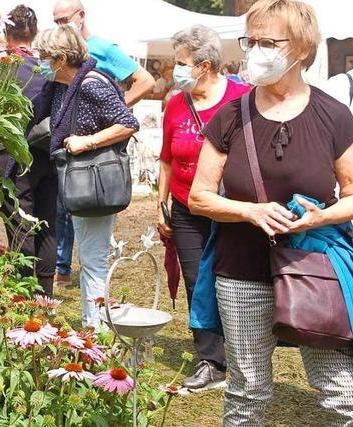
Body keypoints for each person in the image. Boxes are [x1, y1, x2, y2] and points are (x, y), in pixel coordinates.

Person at [188, 0, 353, 425]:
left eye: (268, 41)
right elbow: (199, 198)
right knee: (247, 392)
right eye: (251, 40)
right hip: (241, 270)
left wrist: (318, 218)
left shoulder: (333, 116)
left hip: (312, 267)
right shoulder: (229, 117)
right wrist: (249, 210)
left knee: (341, 392)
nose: (255, 50)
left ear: (300, 48)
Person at [157, 25, 251, 391]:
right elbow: (166, 158)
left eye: (182, 63)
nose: (175, 69)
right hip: (185, 205)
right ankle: (210, 360)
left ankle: (243, 353)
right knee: (198, 281)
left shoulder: (242, 98)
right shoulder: (176, 102)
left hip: (230, 207)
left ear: (206, 65)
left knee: (234, 281)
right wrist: (161, 202)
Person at [33, 25, 139, 328]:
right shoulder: (61, 86)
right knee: (89, 259)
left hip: (96, 183)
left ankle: (98, 332)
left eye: (43, 56)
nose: (40, 61)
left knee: (93, 261)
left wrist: (87, 141)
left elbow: (127, 122)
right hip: (78, 182)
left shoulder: (92, 84)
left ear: (61, 58)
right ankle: (91, 323)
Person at [51, 0, 155, 287]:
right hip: (70, 158)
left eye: (64, 20)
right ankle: (63, 268)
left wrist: (113, 111)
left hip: (94, 158)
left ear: (81, 16)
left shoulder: (103, 50)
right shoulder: (60, 64)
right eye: (56, 20)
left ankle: (94, 316)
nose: (60, 25)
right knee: (70, 221)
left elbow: (145, 81)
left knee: (92, 246)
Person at [0, 5, 57, 296]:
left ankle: (21, 293)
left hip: (12, 160)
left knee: (20, 227)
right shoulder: (48, 68)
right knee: (47, 224)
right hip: (48, 154)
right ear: (34, 33)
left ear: (6, 32)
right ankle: (45, 295)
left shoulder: (1, 67)